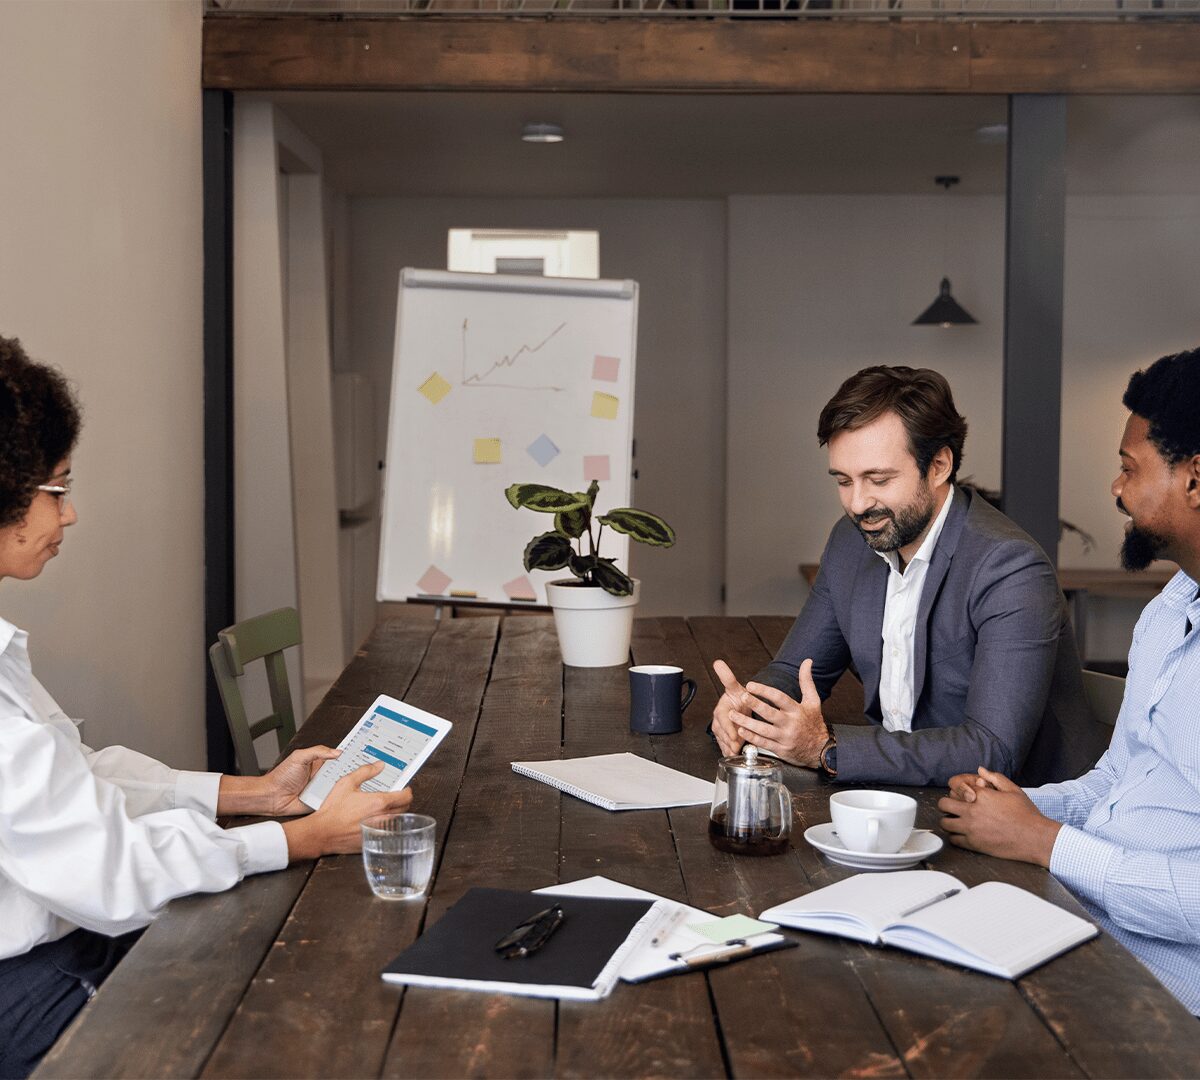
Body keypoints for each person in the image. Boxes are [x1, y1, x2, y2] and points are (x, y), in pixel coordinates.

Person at [0, 336, 414, 1077]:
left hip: (68, 944)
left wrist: (251, 793)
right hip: (27, 990)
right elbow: (111, 874)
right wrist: (306, 838)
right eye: (56, 490)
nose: (69, 517)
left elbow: (73, 779)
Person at [940, 346, 1200, 1016]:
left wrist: (1039, 840)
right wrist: (1014, 806)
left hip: (1162, 993)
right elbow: (1119, 780)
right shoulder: (1171, 611)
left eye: (1128, 468)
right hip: (1088, 923)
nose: (1116, 489)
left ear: (1196, 479)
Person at [711, 365, 1107, 787]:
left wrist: (828, 749)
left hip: (1022, 813)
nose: (858, 504)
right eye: (843, 481)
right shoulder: (850, 543)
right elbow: (797, 669)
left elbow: (994, 750)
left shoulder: (1009, 568)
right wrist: (749, 711)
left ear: (938, 466)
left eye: (878, 479)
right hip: (904, 794)